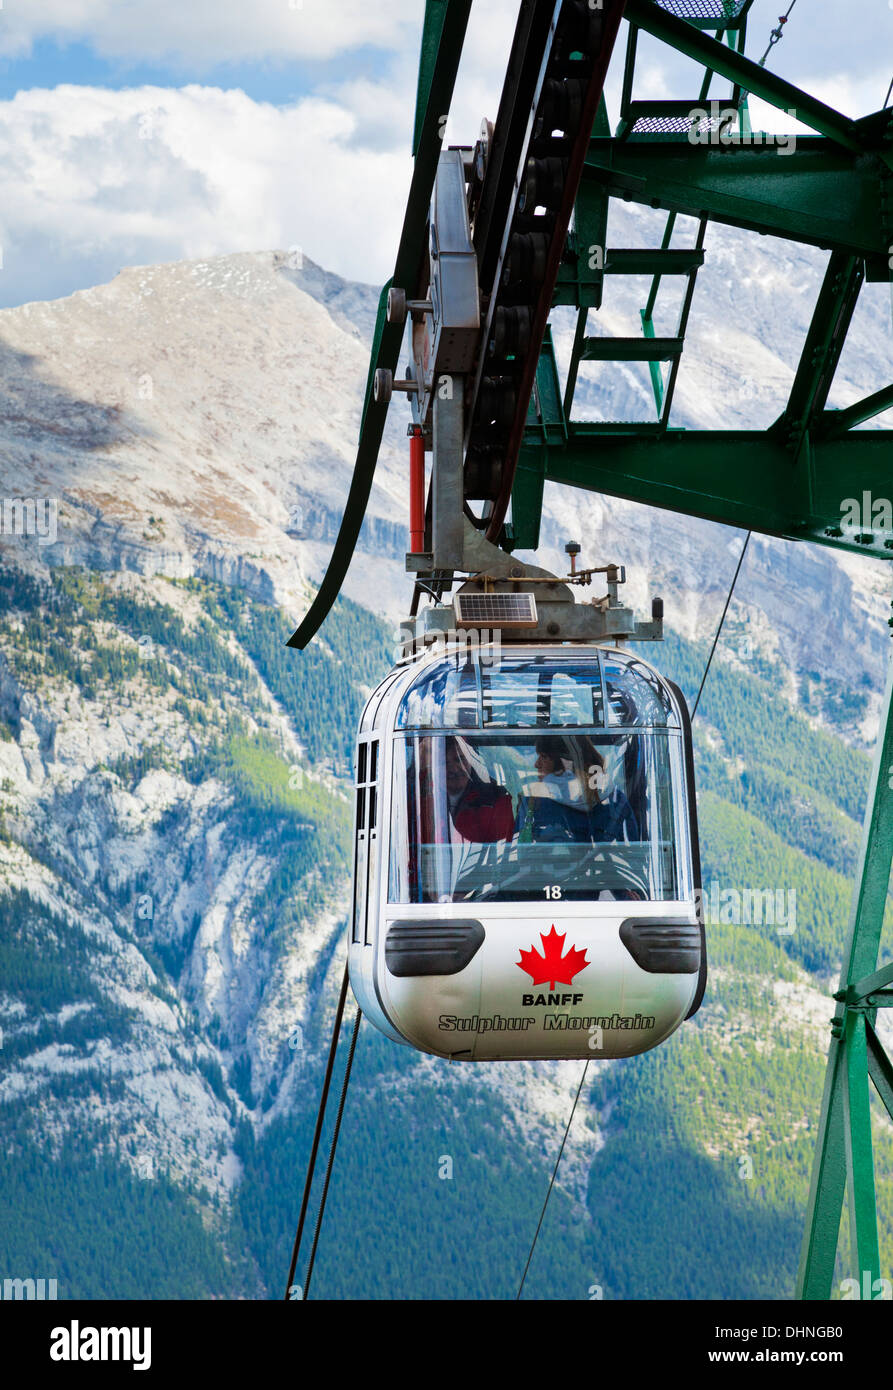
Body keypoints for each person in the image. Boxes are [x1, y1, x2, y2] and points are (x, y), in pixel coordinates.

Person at [443, 738, 515, 843]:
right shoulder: (420, 799)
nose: (454, 769)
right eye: (444, 763)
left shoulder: (494, 797)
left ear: (470, 760)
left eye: (459, 759)